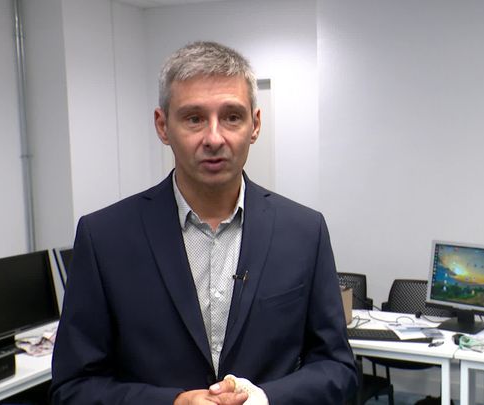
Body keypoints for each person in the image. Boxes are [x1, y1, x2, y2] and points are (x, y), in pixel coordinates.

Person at [50, 41, 357, 405]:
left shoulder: (305, 232)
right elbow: (73, 388)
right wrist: (172, 404)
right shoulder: (104, 238)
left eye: (232, 117)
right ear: (163, 126)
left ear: (255, 125)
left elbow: (339, 370)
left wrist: (265, 400)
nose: (214, 138)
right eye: (194, 118)